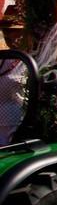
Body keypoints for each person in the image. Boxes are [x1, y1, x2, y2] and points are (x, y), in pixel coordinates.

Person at [0, 8, 27, 144]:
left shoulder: (31, 60)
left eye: (13, 30)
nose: (9, 35)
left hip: (17, 125)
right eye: (6, 31)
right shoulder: (4, 58)